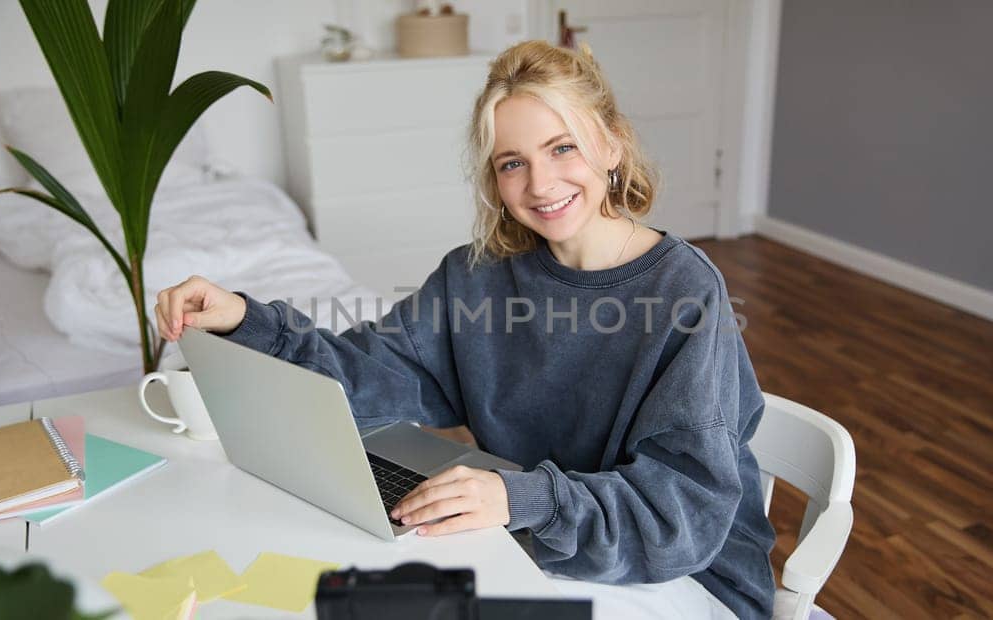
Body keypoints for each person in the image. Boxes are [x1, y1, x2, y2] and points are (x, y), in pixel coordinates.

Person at [154, 41, 775, 619]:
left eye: (563, 147)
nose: (541, 183)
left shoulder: (684, 292)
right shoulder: (476, 278)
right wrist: (245, 319)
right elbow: (365, 376)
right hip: (534, 541)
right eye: (513, 163)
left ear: (612, 145)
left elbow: (682, 518)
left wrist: (520, 500)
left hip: (683, 574)